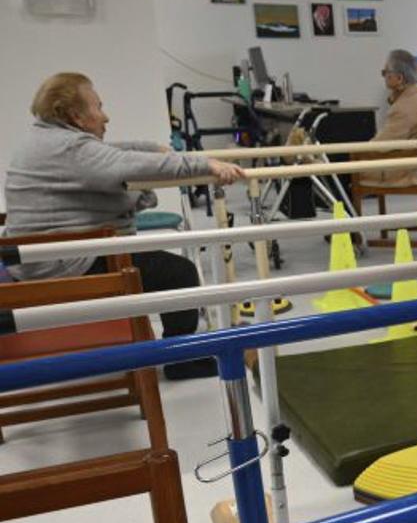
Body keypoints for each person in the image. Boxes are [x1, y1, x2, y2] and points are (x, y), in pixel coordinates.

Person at [3, 72, 244, 380]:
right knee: (179, 273)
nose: (106, 116)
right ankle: (181, 361)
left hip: (38, 260)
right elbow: (122, 163)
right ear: (76, 115)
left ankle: (178, 353)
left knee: (156, 260)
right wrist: (205, 164)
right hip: (58, 267)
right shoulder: (69, 148)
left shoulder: (48, 139)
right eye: (98, 106)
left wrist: (155, 148)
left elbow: (113, 152)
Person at [361, 49, 417, 186]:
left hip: (412, 171)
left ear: (399, 78)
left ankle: (345, 207)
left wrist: (356, 153)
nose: (383, 76)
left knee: (347, 167)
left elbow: (380, 147)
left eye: (385, 73)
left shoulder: (404, 107)